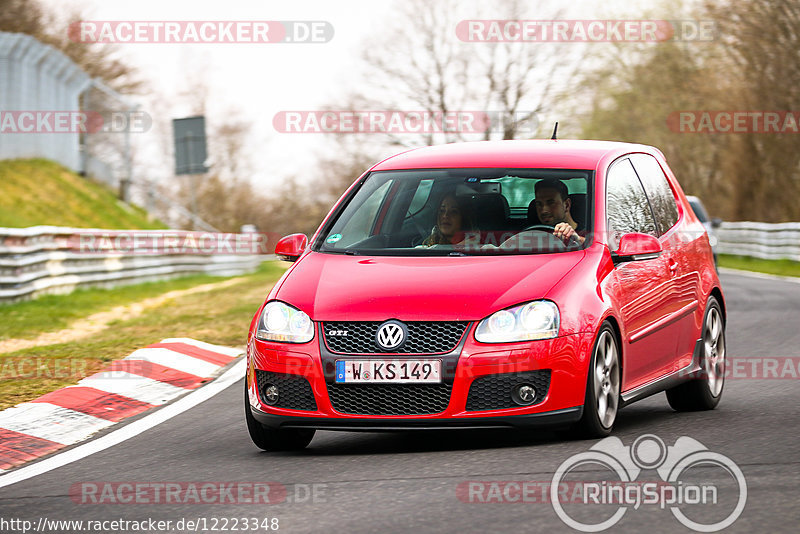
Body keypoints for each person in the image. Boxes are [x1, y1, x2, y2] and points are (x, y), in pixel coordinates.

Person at [533, 178, 585, 245]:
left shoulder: (590, 231)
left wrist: (578, 240)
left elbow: (597, 246)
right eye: (539, 204)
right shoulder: (532, 234)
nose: (544, 210)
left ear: (566, 205)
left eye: (551, 203)